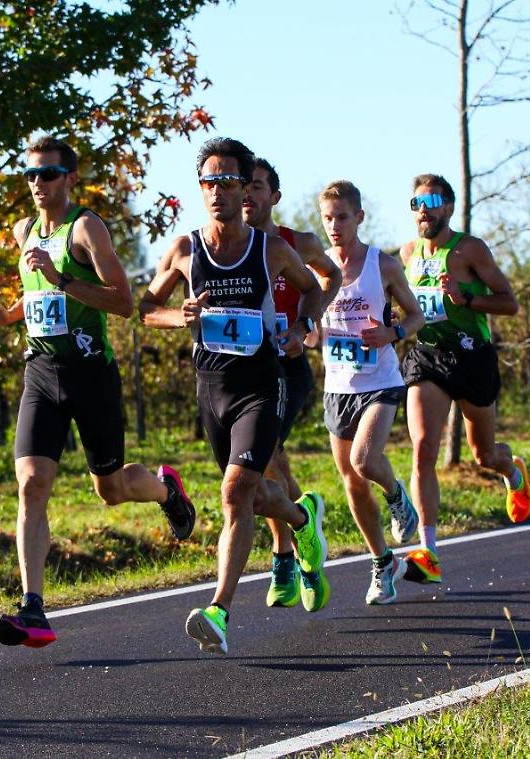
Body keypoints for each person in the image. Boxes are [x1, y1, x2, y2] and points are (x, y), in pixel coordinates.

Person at [0, 135, 196, 648]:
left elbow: (122, 303)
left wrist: (64, 278)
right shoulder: (23, 230)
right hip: (41, 373)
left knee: (112, 489)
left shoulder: (86, 227)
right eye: (29, 175)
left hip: (91, 373)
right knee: (31, 482)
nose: (37, 183)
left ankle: (167, 489)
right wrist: (4, 314)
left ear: (70, 178)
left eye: (47, 174)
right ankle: (33, 608)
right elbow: (35, 295)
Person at [139, 137, 328, 654]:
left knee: (233, 492)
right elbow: (145, 307)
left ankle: (219, 610)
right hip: (212, 390)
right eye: (208, 181)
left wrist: (301, 325)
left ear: (245, 188)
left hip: (260, 387)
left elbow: (312, 288)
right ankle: (303, 518)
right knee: (253, 495)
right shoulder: (184, 250)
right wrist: (178, 316)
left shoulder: (269, 249)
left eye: (226, 181)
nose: (216, 191)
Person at [398, 173, 530, 587]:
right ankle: (429, 552)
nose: (424, 210)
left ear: (449, 207)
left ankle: (512, 472)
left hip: (473, 357)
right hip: (428, 357)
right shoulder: (406, 253)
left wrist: (466, 298)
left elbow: (509, 303)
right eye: (416, 203)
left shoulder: (470, 250)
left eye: (433, 201)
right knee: (423, 449)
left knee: (484, 455)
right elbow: (405, 304)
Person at [317, 181, 425, 605]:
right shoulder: (317, 268)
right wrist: (305, 335)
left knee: (365, 461)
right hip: (337, 384)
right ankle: (383, 563)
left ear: (359, 217)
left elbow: (416, 317)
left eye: (342, 217)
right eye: (328, 218)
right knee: (352, 483)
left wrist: (391, 332)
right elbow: (311, 323)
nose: (335, 226)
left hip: (380, 381)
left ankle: (399, 498)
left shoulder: (382, 265)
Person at [242, 157, 342, 612]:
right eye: (242, 184)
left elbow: (330, 277)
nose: (248, 194)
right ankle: (301, 536)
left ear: (274, 197)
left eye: (258, 186)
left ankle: (285, 556)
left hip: (289, 364)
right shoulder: (225, 247)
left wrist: (305, 323)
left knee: (266, 456)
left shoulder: (296, 242)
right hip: (244, 370)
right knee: (264, 464)